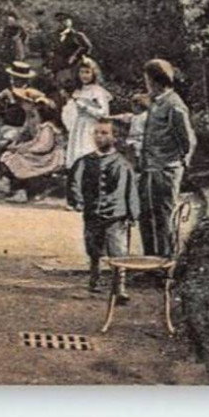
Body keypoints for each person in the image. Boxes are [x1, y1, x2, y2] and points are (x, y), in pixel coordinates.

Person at [68, 117, 140, 299]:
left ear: (115, 137)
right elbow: (74, 181)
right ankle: (95, 278)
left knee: (118, 251)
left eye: (104, 133)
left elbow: (130, 189)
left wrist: (133, 213)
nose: (99, 137)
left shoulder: (122, 163)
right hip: (93, 213)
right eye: (97, 133)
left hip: (116, 215)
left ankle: (120, 287)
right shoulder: (85, 161)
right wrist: (77, 200)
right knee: (93, 247)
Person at [137, 59, 196, 257]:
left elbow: (188, 140)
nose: (146, 84)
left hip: (165, 170)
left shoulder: (175, 105)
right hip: (149, 167)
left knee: (164, 217)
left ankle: (165, 265)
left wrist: (179, 163)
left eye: (147, 80)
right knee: (145, 215)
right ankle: (149, 262)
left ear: (156, 81)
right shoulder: (157, 100)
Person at [0, 91, 65, 201]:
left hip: (50, 157)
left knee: (20, 159)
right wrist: (20, 147)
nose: (33, 118)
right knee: (10, 154)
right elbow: (34, 141)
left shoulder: (48, 128)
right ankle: (7, 182)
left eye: (35, 116)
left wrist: (26, 149)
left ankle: (21, 192)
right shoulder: (42, 127)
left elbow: (44, 146)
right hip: (41, 154)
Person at [61, 57, 112, 167]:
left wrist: (85, 107)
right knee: (77, 154)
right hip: (79, 125)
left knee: (88, 151)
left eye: (87, 72)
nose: (84, 75)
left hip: (91, 126)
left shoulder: (97, 91)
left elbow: (104, 113)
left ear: (94, 73)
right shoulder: (79, 91)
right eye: (81, 72)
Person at [50, 13, 93, 94]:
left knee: (74, 89)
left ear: (70, 22)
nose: (61, 23)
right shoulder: (54, 35)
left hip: (74, 67)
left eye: (64, 21)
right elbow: (51, 50)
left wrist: (75, 56)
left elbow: (88, 47)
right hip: (58, 67)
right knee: (59, 90)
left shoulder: (77, 36)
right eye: (59, 21)